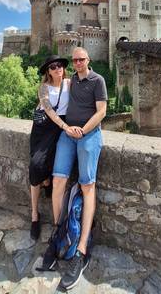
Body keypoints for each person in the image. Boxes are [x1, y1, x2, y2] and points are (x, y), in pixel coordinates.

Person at [42, 47, 107, 290]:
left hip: (89, 135)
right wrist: (67, 127)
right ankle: (59, 233)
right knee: (58, 180)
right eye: (75, 60)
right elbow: (51, 88)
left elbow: (102, 111)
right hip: (68, 134)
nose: (78, 62)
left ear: (88, 60)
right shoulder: (70, 83)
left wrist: (84, 130)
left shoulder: (97, 80)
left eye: (82, 59)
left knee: (87, 185)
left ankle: (81, 249)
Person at [29, 55, 70, 240]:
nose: (57, 69)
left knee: (54, 166)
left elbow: (88, 81)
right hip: (44, 129)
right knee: (36, 166)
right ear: (48, 71)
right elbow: (49, 110)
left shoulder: (70, 83)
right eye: (53, 67)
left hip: (59, 129)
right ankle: (34, 216)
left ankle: (47, 183)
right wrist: (65, 126)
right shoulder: (43, 88)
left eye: (59, 65)